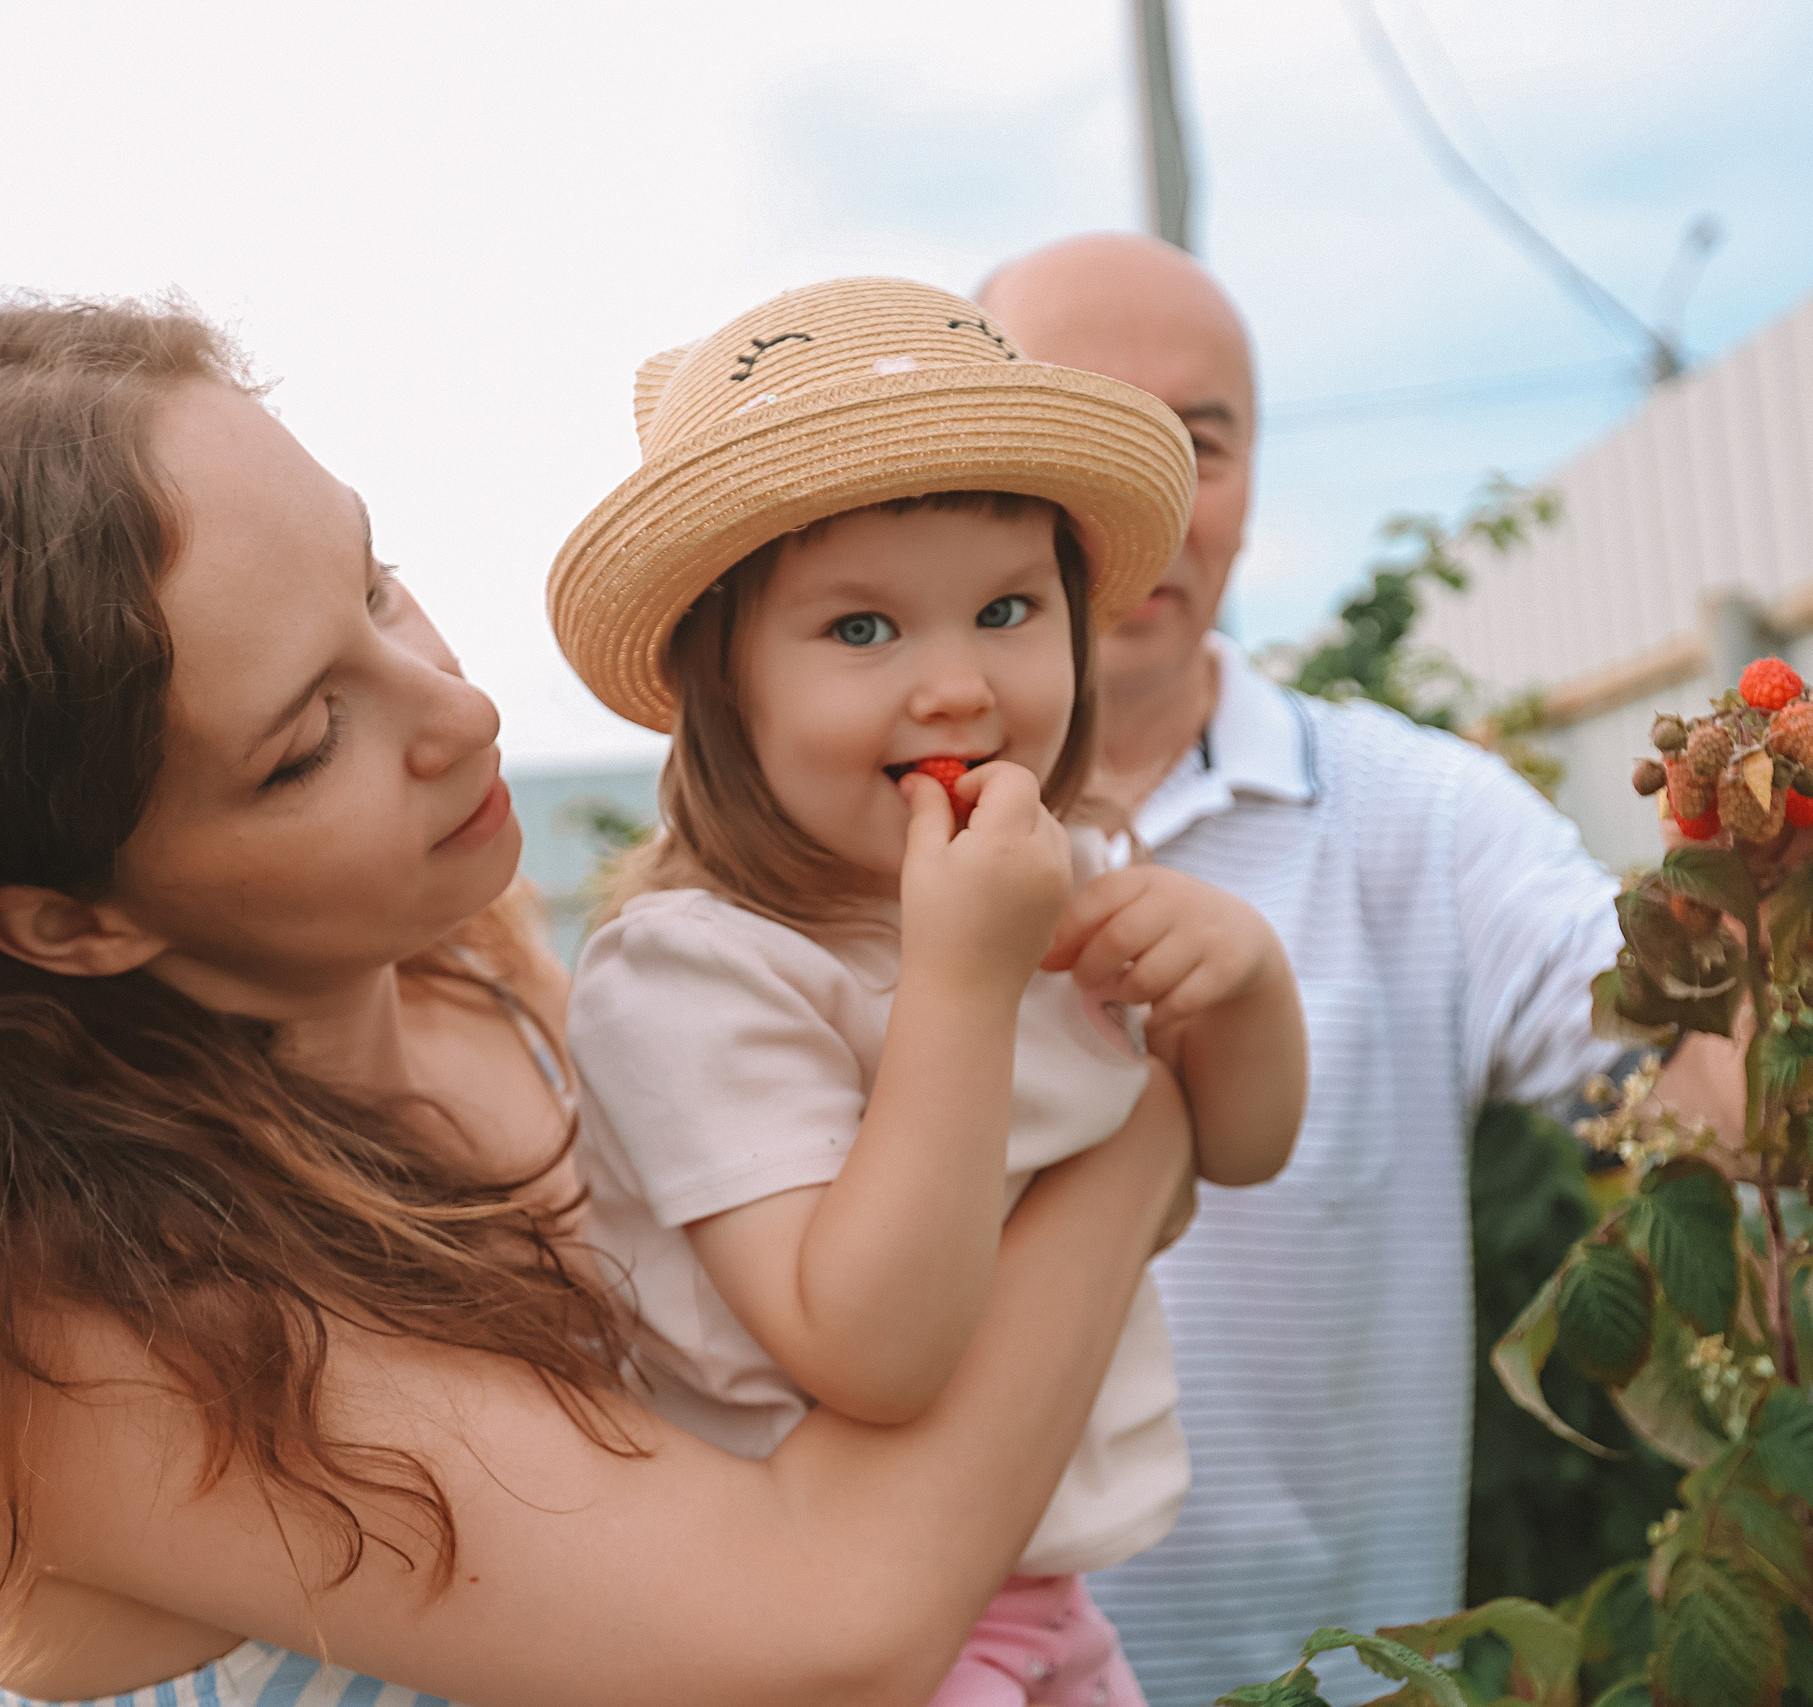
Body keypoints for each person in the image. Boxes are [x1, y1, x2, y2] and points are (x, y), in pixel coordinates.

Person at [0, 298, 1197, 1707]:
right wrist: (1137, 1133)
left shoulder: (482, 979)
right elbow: (825, 1620)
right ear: (72, 922)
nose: (462, 714)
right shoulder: (79, 1327)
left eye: (377, 582)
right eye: (310, 742)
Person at [975, 232, 1813, 1703]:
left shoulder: (1416, 818)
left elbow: (1736, 1128)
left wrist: (1812, 956)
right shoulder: (848, 851)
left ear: (1255, 482)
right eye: (1087, 427)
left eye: (1195, 442)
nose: (1145, 492)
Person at [544, 277, 1308, 1707]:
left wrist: (1248, 987)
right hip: (836, 1634)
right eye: (860, 631)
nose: (957, 686)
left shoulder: (1048, 874)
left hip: (1038, 1602)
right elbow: (873, 1350)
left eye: (1007, 609)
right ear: (724, 687)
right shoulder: (696, 973)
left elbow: (1237, 1144)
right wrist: (966, 980)